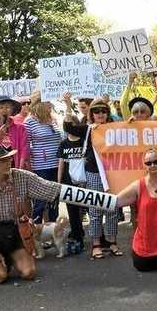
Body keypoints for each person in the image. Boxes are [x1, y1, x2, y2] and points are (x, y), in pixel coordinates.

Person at [0, 146, 61, 284]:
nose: (9, 162)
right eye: (3, 160)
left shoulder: (22, 176)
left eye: (9, 158)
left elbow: (51, 189)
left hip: (15, 234)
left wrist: (90, 196)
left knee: (29, 273)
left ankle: (11, 258)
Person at [62, 93, 123, 259]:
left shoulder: (116, 128)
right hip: (94, 172)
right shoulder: (88, 129)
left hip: (113, 173)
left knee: (112, 208)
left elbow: (132, 132)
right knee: (95, 209)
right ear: (91, 114)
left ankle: (112, 242)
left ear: (108, 113)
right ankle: (96, 244)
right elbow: (68, 128)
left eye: (104, 110)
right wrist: (68, 105)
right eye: (96, 111)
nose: (100, 114)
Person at [24, 91, 62, 224]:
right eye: (47, 102)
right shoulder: (30, 122)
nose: (50, 104)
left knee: (54, 199)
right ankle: (36, 230)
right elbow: (25, 145)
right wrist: (28, 166)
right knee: (40, 201)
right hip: (41, 167)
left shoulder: (54, 119)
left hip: (57, 165)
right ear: (39, 104)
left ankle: (52, 229)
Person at [56, 114, 86, 254]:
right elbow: (61, 162)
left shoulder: (85, 141)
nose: (70, 126)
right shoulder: (63, 143)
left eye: (72, 123)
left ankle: (96, 235)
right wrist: (59, 181)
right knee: (72, 210)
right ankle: (77, 235)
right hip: (68, 181)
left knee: (86, 208)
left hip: (84, 181)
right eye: (66, 124)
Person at [0, 95, 30, 169]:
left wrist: (19, 170)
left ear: (12, 110)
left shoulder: (20, 127)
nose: (4, 110)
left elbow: (24, 151)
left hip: (16, 165)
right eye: (1, 108)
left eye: (7, 107)